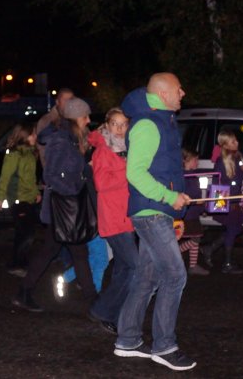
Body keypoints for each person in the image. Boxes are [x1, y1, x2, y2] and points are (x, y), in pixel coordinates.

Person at [113, 73, 196, 371]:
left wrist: (175, 204)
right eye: (178, 89)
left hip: (156, 210)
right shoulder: (148, 124)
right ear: (162, 94)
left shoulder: (160, 120)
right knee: (175, 275)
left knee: (148, 278)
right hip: (150, 212)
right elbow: (134, 173)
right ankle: (164, 345)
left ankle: (128, 339)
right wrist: (168, 198)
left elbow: (163, 171)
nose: (183, 93)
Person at [12, 97, 97, 313]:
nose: (88, 120)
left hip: (65, 208)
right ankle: (94, 300)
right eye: (85, 116)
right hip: (64, 208)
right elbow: (51, 175)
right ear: (77, 117)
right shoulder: (61, 141)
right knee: (78, 253)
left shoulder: (71, 139)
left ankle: (24, 291)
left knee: (52, 251)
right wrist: (75, 190)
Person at [87, 108, 137, 335]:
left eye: (123, 124)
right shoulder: (103, 151)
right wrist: (128, 171)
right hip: (113, 218)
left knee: (123, 268)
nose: (118, 128)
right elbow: (101, 184)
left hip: (126, 216)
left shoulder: (126, 150)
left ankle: (114, 315)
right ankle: (103, 310)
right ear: (106, 125)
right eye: (114, 123)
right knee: (134, 268)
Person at [0, 123, 40, 276]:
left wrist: (35, 193)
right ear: (24, 136)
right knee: (26, 234)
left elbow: (30, 178)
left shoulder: (30, 153)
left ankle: (17, 262)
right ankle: (18, 264)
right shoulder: (14, 154)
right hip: (18, 199)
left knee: (25, 233)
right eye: (32, 134)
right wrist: (0, 198)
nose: (35, 137)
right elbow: (5, 176)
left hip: (28, 199)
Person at [212, 129, 243, 274]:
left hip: (235, 199)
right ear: (225, 145)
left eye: (236, 140)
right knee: (233, 229)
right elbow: (221, 181)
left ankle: (210, 248)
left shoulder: (237, 156)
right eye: (233, 141)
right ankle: (226, 263)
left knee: (235, 229)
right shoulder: (222, 161)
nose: (237, 142)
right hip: (227, 200)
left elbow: (242, 174)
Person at [179, 148, 208, 276]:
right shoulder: (182, 176)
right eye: (195, 160)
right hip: (188, 214)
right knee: (195, 238)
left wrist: (202, 208)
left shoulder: (192, 175)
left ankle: (192, 265)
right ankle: (176, 252)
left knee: (196, 236)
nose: (197, 162)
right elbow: (186, 196)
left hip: (193, 212)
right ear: (186, 160)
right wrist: (197, 203)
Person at [35, 88, 74, 165]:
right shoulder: (46, 121)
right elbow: (42, 150)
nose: (69, 103)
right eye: (65, 100)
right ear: (57, 102)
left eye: (71, 100)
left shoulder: (75, 120)